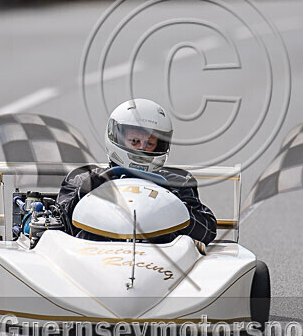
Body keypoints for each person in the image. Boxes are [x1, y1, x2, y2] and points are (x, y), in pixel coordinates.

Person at [57, 99, 217, 245]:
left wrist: (171, 201)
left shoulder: (178, 182)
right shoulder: (83, 178)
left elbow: (207, 232)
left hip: (158, 258)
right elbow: (59, 228)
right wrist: (87, 191)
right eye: (134, 141)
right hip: (95, 255)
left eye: (150, 144)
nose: (141, 148)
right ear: (115, 137)